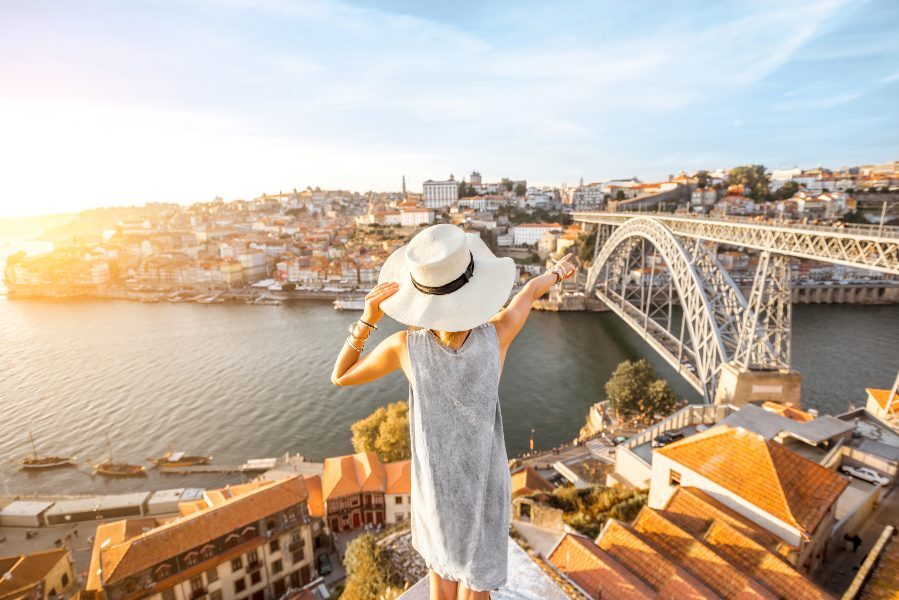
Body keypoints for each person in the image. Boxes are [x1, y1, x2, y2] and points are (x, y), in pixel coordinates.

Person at [331, 224, 575, 600]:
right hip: (485, 485)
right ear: (475, 290)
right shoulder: (500, 333)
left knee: (440, 586)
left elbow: (341, 375)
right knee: (476, 590)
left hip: (436, 491)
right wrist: (556, 272)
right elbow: (530, 291)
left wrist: (369, 317)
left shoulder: (404, 348)